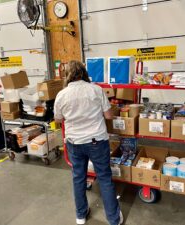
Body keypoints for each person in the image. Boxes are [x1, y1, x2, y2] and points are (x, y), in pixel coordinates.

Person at [54, 60, 123, 225]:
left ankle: (80, 216)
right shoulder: (96, 90)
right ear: (84, 73)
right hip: (96, 141)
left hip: (74, 142)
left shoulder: (61, 95)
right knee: (105, 178)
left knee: (78, 178)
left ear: (67, 75)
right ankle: (113, 219)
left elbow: (57, 120)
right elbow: (108, 116)